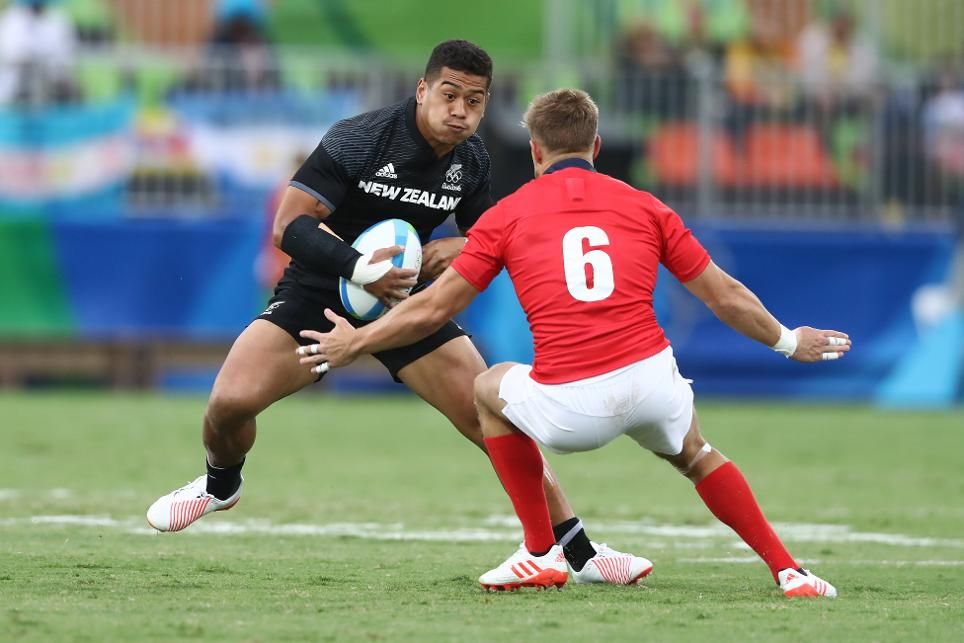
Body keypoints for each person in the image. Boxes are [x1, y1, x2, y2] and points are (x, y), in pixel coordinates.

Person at [298, 88, 850, 597]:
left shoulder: (509, 215)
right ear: (597, 146)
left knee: (489, 386)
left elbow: (436, 307)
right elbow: (724, 295)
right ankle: (789, 570)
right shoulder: (645, 205)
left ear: (535, 150)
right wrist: (787, 340)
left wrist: (358, 342)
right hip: (653, 381)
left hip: (573, 409)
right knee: (698, 455)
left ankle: (540, 551)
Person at [146, 41, 651, 586]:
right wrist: (360, 267)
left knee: (495, 415)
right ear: (422, 90)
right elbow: (288, 226)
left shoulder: (472, 159)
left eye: (475, 102)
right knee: (227, 404)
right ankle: (221, 485)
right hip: (320, 293)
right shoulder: (360, 138)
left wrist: (457, 249)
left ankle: (579, 552)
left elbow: (495, 236)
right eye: (450, 95)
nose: (460, 111)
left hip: (405, 303)